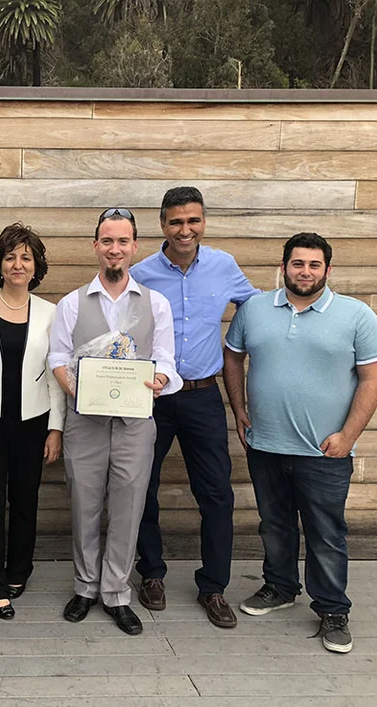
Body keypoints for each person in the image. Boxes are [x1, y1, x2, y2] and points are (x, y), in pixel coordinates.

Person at [224, 232, 377, 654]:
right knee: (275, 524)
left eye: (314, 265)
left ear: (327, 270)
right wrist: (239, 409)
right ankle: (280, 587)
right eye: (297, 264)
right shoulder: (254, 310)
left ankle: (333, 609)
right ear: (283, 267)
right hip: (265, 444)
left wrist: (348, 436)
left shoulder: (356, 316)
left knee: (325, 532)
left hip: (325, 451)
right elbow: (232, 357)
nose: (305, 272)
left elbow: (374, 379)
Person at [130, 186, 260, 629]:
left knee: (217, 493)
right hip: (153, 396)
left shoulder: (224, 267)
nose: (185, 230)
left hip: (205, 395)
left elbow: (256, 308)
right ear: (162, 224)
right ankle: (151, 572)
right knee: (141, 486)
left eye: (193, 221)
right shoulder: (142, 273)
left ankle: (214, 587)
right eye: (176, 222)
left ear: (203, 222)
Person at [49, 208, 181, 635]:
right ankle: (86, 587)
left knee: (128, 508)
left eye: (123, 241)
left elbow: (165, 360)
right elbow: (57, 359)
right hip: (84, 422)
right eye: (107, 241)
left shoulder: (155, 303)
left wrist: (158, 378)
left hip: (134, 424)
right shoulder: (71, 303)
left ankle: (117, 592)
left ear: (134, 247)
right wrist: (78, 390)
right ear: (95, 246)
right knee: (84, 505)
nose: (115, 249)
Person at [0, 223, 65, 619]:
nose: (18, 264)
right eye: (10, 257)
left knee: (25, 501)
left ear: (36, 265)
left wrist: (56, 428)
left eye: (26, 257)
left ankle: (18, 570)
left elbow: (57, 372)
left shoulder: (51, 312)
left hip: (33, 421)